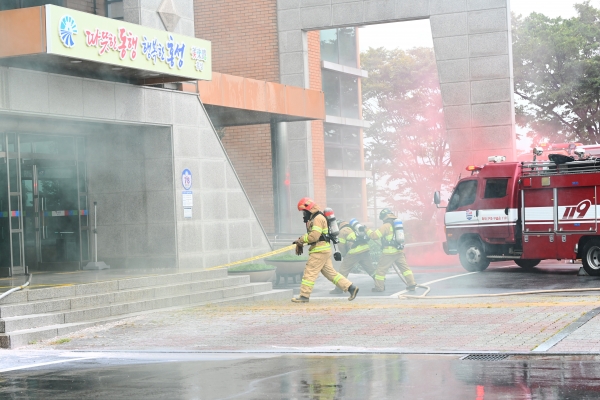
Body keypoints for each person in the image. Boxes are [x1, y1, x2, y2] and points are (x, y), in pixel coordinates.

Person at [291, 197, 359, 303]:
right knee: (331, 274)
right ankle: (351, 288)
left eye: (304, 211)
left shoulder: (317, 218)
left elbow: (314, 236)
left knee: (309, 272)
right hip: (323, 250)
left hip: (319, 251)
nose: (304, 214)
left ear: (309, 209)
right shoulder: (316, 217)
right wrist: (300, 241)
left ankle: (304, 296)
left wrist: (301, 240)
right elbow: (314, 235)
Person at [367, 208, 417, 292]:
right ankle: (412, 284)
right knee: (405, 269)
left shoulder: (386, 226)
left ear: (384, 217)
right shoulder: (397, 224)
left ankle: (379, 287)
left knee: (380, 270)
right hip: (399, 251)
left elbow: (374, 236)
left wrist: (366, 230)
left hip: (388, 253)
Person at [330, 219, 377, 294]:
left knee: (343, 270)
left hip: (354, 252)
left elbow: (341, 246)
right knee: (371, 269)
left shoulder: (342, 231)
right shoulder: (353, 228)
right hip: (365, 250)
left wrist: (344, 254)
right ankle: (380, 284)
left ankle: (339, 289)